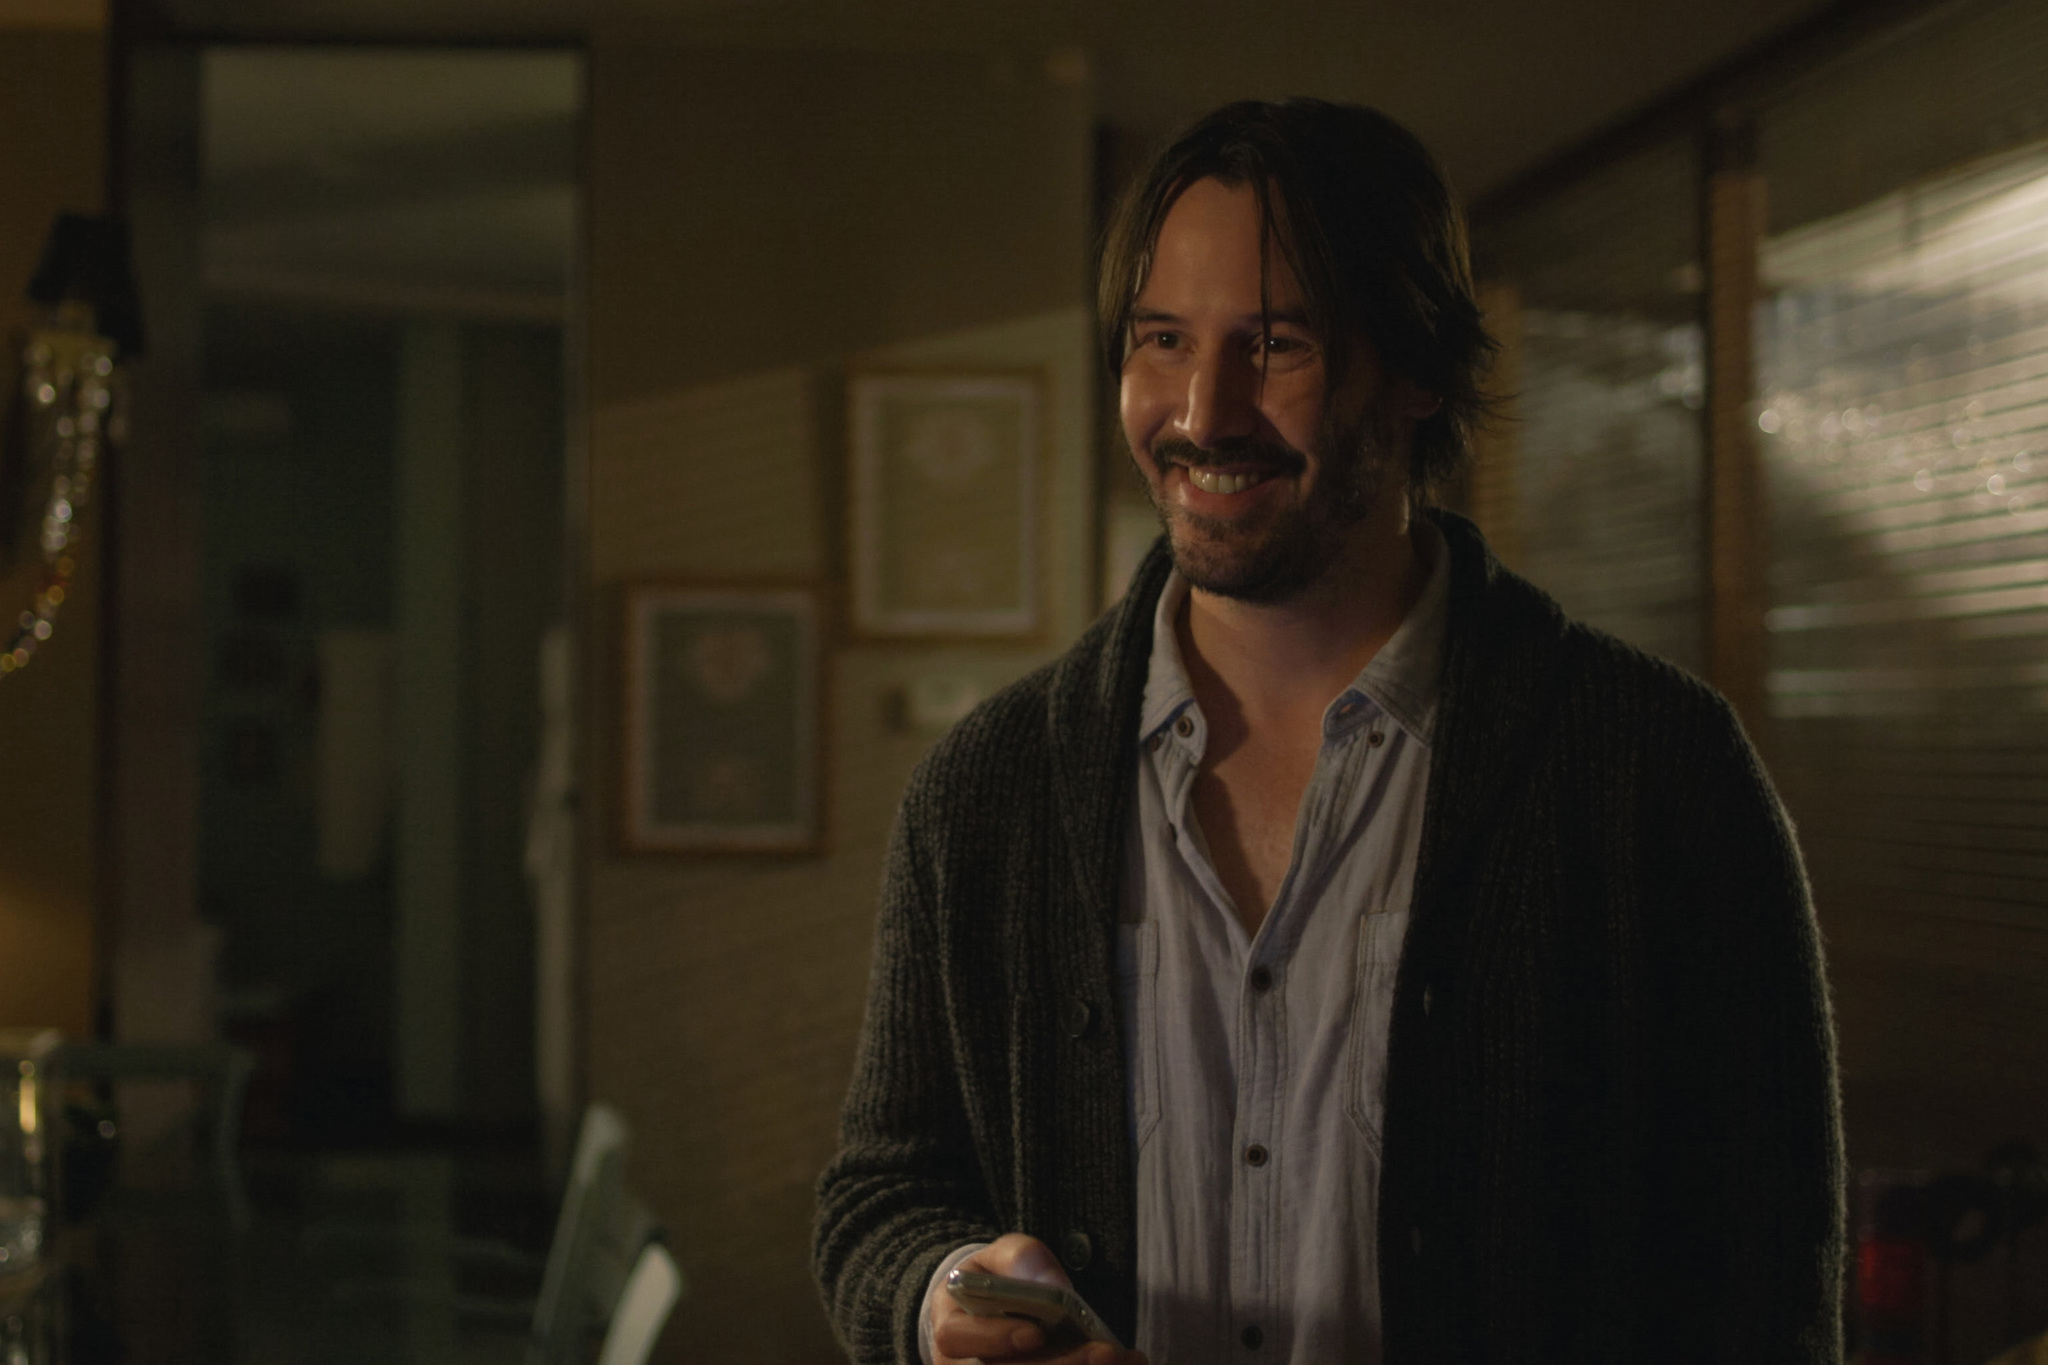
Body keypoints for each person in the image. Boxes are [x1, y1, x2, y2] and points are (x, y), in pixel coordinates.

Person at [814, 98, 1843, 1365]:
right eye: (1160, 340)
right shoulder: (986, 791)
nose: (1202, 412)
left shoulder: (1655, 773)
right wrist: (943, 1295)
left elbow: (1762, 1288)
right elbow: (882, 1196)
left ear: (1415, 368)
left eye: (1275, 345)